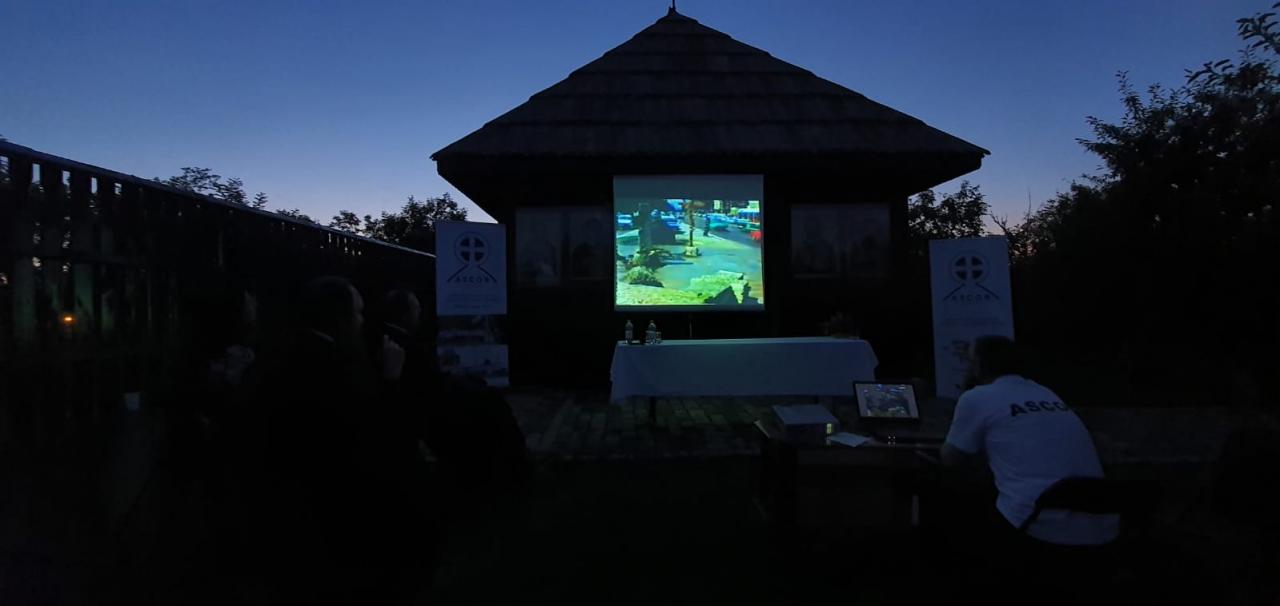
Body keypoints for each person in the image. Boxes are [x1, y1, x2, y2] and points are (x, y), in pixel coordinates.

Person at [243, 276, 435, 604]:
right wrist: (391, 380)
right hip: (336, 506)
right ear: (339, 318)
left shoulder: (286, 354)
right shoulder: (333, 365)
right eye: (357, 313)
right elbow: (370, 433)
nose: (362, 322)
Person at [941, 336, 1119, 547]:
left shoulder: (976, 397)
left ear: (978, 365)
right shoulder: (1044, 392)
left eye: (970, 361)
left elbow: (950, 458)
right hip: (1102, 525)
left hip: (1038, 523)